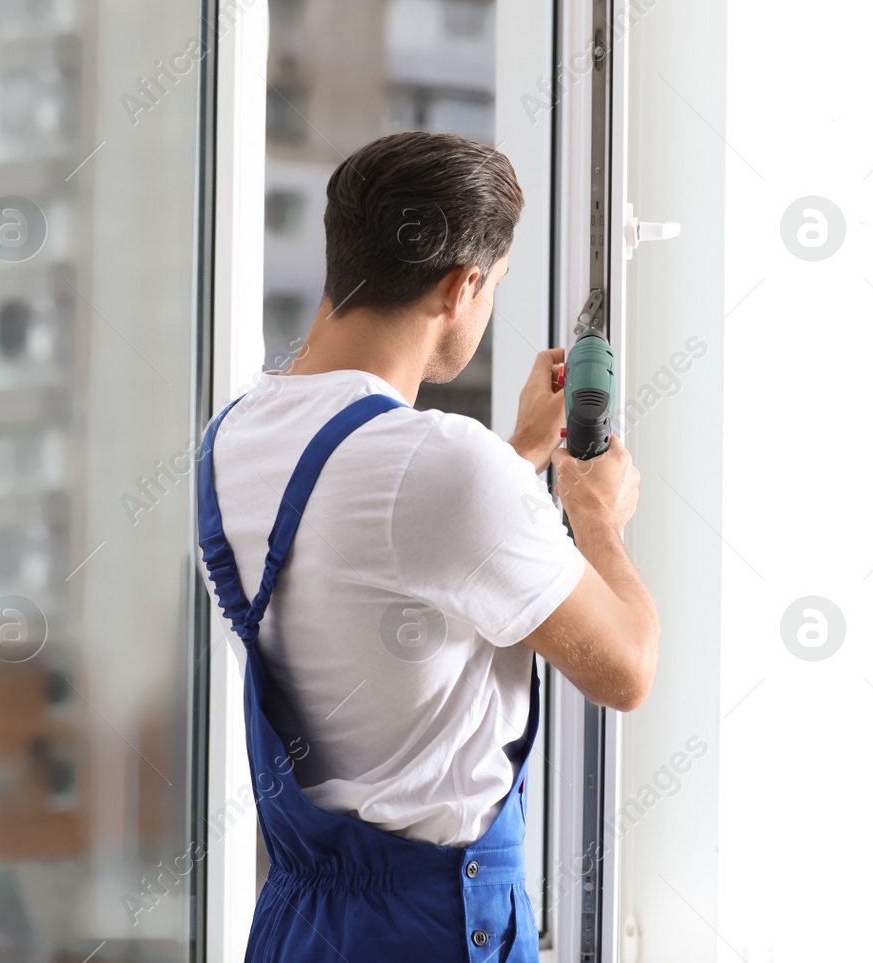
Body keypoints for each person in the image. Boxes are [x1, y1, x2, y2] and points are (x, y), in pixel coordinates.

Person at [196, 130, 658, 961]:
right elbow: (625, 669)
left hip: (299, 922)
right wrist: (595, 517)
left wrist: (517, 457)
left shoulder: (232, 438)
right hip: (435, 927)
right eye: (493, 289)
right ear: (462, 285)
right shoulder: (444, 465)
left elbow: (370, 559)